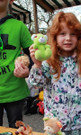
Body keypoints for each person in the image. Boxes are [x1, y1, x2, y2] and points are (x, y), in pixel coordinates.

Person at [28, 11, 81, 135]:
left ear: (78, 37)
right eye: (62, 34)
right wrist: (37, 65)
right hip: (54, 125)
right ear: (55, 37)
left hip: (77, 123)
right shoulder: (49, 62)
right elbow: (35, 83)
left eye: (72, 34)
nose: (68, 38)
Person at [0, 0, 33, 128]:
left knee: (17, 130)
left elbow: (32, 54)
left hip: (15, 92)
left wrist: (28, 70)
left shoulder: (19, 26)